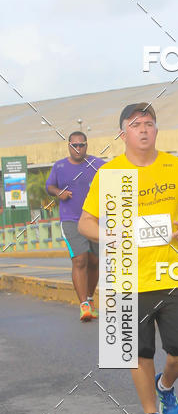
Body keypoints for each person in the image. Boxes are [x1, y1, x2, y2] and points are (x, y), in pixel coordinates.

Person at [79, 103, 178, 414]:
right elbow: (85, 222)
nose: (144, 129)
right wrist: (111, 234)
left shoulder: (176, 167)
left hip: (172, 274)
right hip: (125, 276)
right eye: (136, 125)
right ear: (123, 134)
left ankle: (165, 386)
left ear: (156, 130)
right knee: (137, 352)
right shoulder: (110, 174)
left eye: (149, 123)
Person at [46, 132, 104, 321]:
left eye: (81, 145)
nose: (78, 148)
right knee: (80, 260)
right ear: (68, 146)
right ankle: (84, 306)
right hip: (70, 220)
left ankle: (89, 298)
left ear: (87, 145)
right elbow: (50, 186)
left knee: (94, 261)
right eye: (74, 145)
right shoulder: (59, 166)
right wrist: (58, 192)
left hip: (95, 219)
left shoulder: (98, 164)